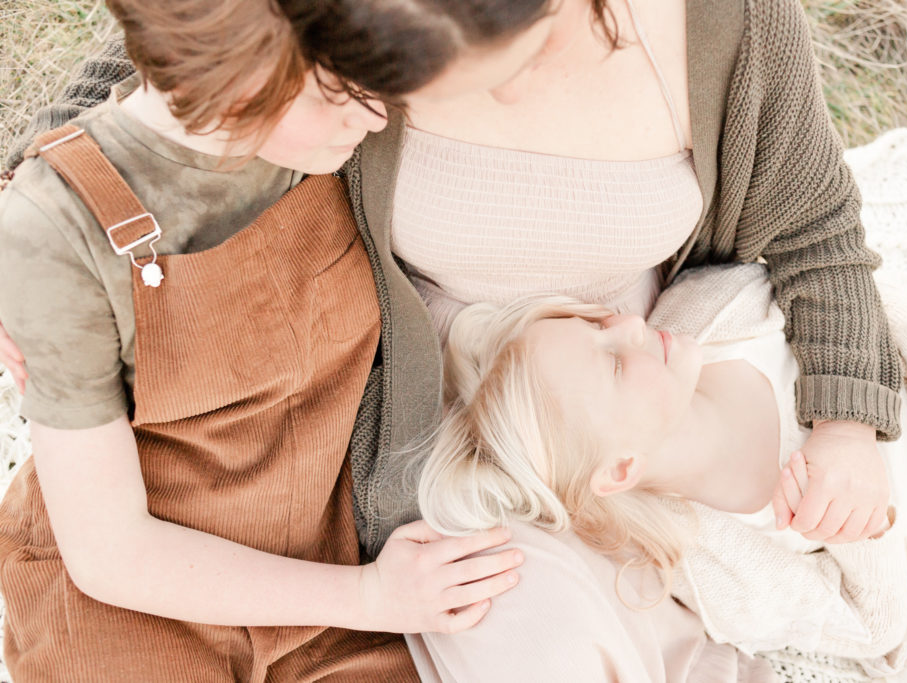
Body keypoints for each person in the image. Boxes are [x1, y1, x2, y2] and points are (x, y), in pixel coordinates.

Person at [0, 1, 527, 679]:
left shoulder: (328, 142)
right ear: (233, 79)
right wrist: (369, 597)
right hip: (138, 599)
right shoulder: (53, 235)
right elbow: (111, 552)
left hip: (334, 559)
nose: (374, 115)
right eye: (338, 91)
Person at [418, 264, 907, 680]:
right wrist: (858, 532)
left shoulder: (712, 309)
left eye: (598, 327)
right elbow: (871, 628)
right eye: (614, 367)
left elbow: (847, 285)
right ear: (621, 468)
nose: (631, 327)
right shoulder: (714, 571)